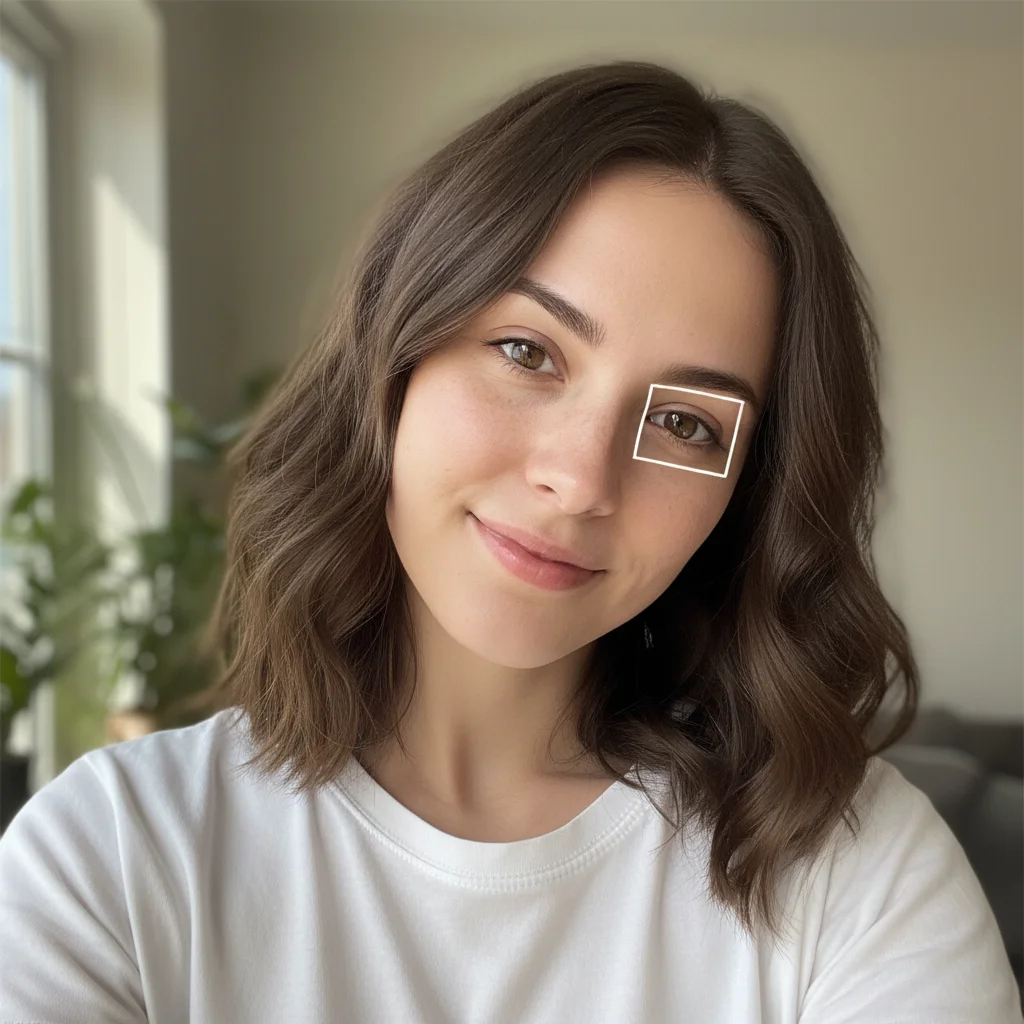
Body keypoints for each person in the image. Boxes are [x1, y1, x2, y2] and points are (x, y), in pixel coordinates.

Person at [0, 59, 1020, 1024]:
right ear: (391, 356)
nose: (579, 479)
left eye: (685, 424)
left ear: (747, 496)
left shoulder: (853, 867)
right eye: (526, 351)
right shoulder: (113, 855)